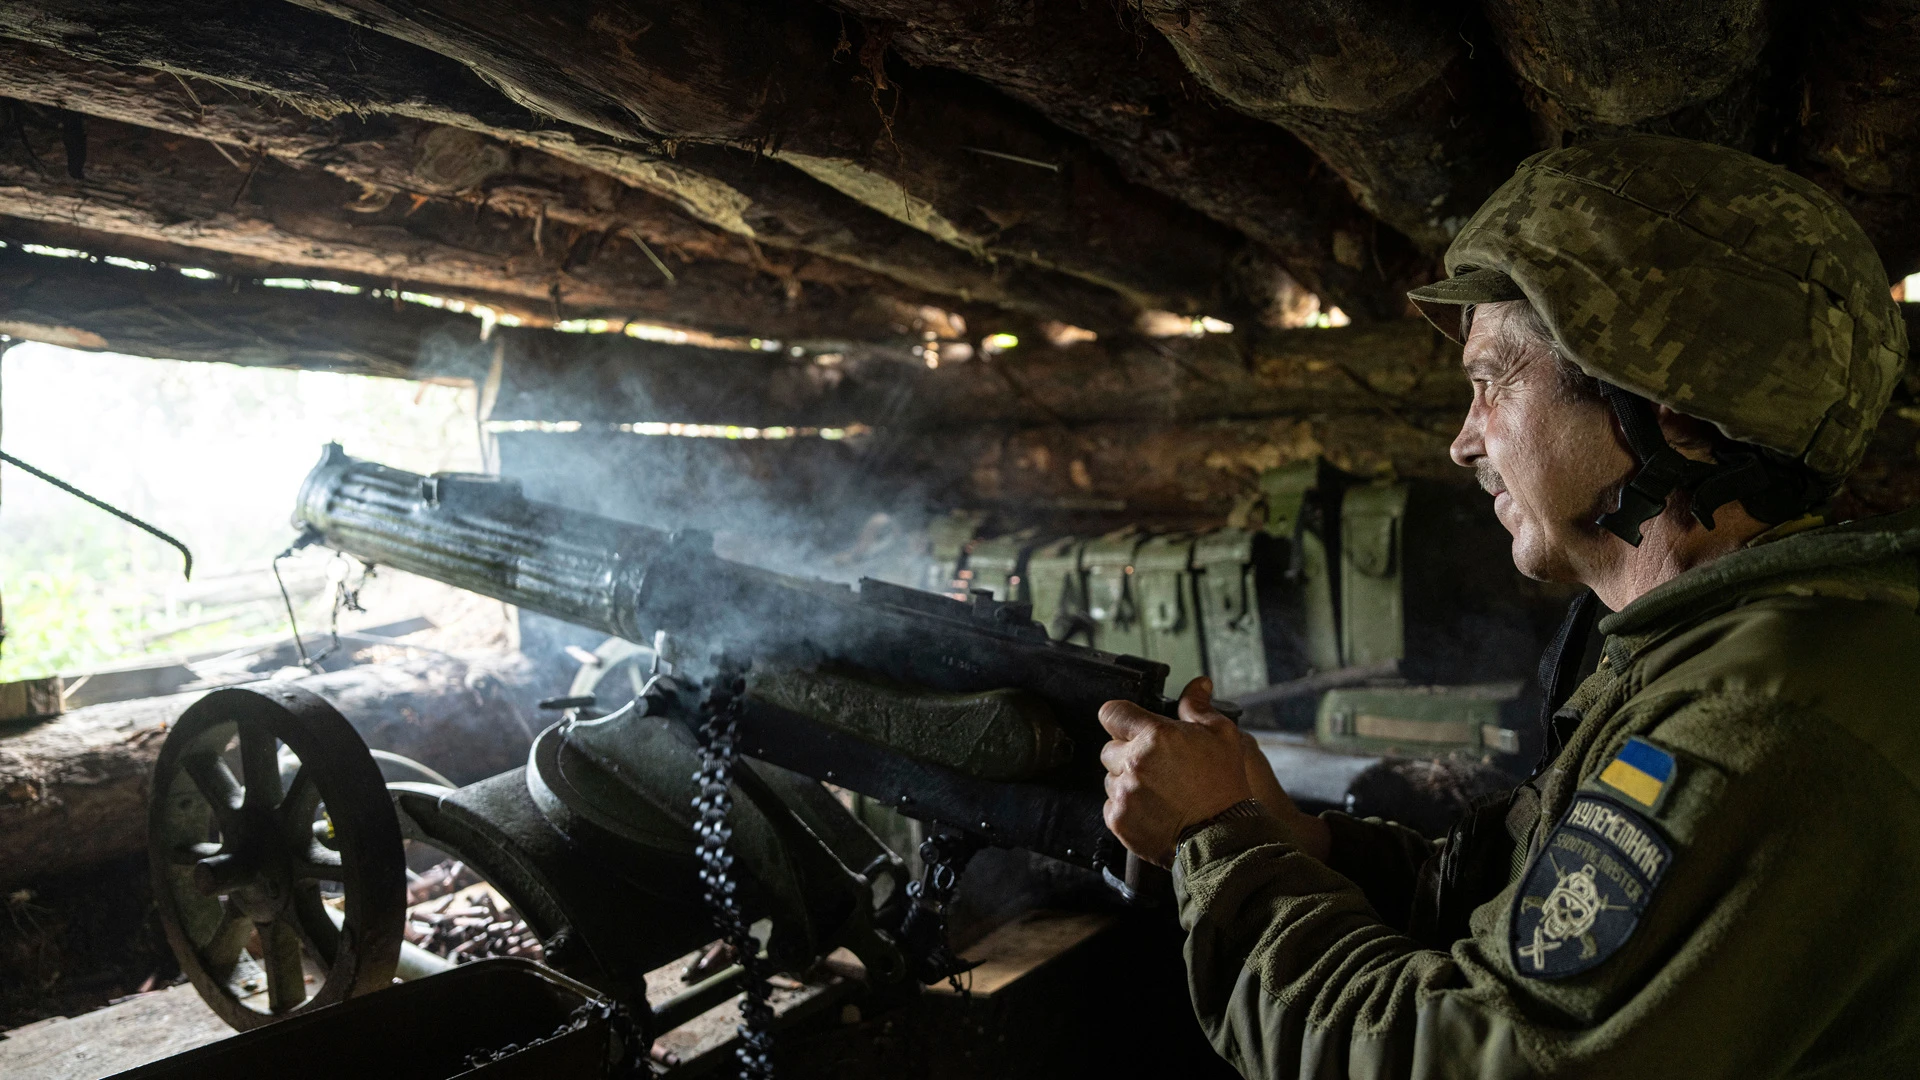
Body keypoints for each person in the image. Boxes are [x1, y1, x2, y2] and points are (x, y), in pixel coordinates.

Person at [1098, 134, 1919, 1077]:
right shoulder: (1721, 653)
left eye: (1493, 382)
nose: (1462, 442)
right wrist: (1304, 842)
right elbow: (1526, 926)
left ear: (1674, 416)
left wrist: (1220, 845)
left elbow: (1461, 1057)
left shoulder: (1755, 722)